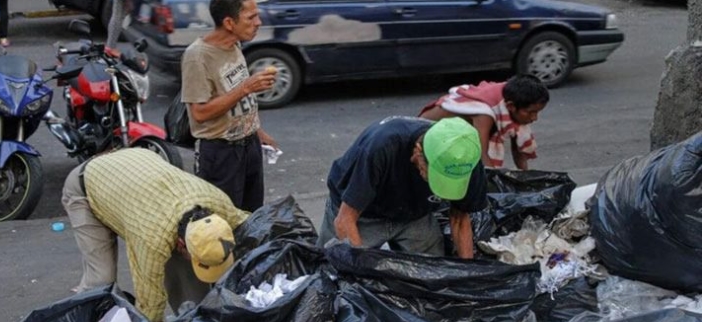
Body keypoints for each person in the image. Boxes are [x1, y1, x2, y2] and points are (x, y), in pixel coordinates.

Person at [61, 148, 250, 322]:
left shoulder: (219, 203)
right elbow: (150, 307)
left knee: (192, 292)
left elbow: (252, 225)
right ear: (181, 244)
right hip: (87, 185)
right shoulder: (152, 240)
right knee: (101, 281)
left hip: (136, 168)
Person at [316, 116, 488, 259]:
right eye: (435, 177)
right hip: (363, 215)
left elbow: (459, 219)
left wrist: (468, 272)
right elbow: (345, 221)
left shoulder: (464, 160)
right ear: (418, 152)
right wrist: (359, 275)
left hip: (415, 215)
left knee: (433, 274)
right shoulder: (382, 147)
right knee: (331, 273)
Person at [180, 0, 278, 213]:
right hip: (221, 154)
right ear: (228, 22)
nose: (258, 22)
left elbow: (239, 100)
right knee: (223, 226)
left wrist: (257, 131)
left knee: (252, 219)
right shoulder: (197, 56)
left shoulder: (235, 45)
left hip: (249, 146)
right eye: (251, 17)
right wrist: (246, 87)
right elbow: (199, 113)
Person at [419, 75, 549, 170]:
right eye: (531, 112)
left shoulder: (516, 97)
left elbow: (519, 148)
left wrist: (526, 178)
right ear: (510, 106)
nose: (534, 118)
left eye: (537, 112)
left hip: (456, 138)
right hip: (426, 136)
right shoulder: (484, 113)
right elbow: (481, 155)